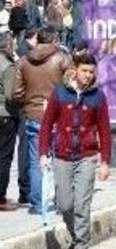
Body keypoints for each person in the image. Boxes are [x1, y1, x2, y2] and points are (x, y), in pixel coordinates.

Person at [38, 52, 112, 249]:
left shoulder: (98, 96)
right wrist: (43, 154)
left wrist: (105, 161)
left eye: (91, 72)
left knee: (82, 203)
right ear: (75, 70)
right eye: (84, 71)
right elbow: (46, 125)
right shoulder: (60, 93)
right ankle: (76, 236)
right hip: (61, 155)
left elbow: (105, 131)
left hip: (87, 156)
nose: (88, 76)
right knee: (64, 204)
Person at [12, 28, 71, 214]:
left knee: (37, 160)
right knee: (61, 160)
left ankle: (38, 204)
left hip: (33, 115)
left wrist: (27, 103)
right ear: (54, 39)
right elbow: (72, 85)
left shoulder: (23, 61)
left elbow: (16, 92)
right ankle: (62, 203)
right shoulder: (62, 59)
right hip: (58, 116)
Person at [0, 34, 19, 211]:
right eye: (12, 44)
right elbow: (10, 96)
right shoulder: (8, 66)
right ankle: (1, 199)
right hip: (5, 115)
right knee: (4, 158)